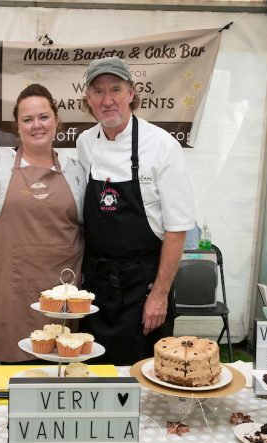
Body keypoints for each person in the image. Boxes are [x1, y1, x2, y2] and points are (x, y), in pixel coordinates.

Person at [0, 84, 85, 363]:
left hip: (60, 300)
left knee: (57, 376)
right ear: (18, 126)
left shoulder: (77, 172)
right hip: (6, 297)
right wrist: (1, 253)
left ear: (56, 120)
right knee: (2, 392)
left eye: (43, 117)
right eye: (28, 119)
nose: (37, 125)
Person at [77, 57, 195, 365]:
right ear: (88, 99)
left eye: (115, 89)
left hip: (143, 286)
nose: (107, 100)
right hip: (97, 286)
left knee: (146, 376)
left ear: (131, 92)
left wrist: (158, 295)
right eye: (98, 92)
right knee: (95, 373)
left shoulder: (162, 146)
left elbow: (177, 229)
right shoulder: (85, 143)